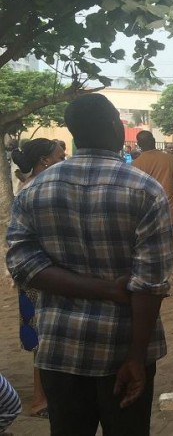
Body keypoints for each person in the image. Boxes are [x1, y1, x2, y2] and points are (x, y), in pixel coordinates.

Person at [6, 93, 172, 435]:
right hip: (124, 347)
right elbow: (150, 283)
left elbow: (21, 264)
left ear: (73, 133)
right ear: (114, 127)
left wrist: (98, 289)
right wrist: (136, 359)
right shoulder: (145, 190)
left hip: (60, 349)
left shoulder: (34, 190)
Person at [10, 138, 66, 419]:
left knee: (44, 335)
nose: (63, 158)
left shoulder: (28, 186)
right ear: (45, 159)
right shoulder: (38, 188)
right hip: (41, 273)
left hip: (36, 272)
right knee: (44, 336)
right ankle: (40, 400)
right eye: (59, 155)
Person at [132, 131, 173, 237]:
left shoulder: (135, 164)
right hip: (165, 210)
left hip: (144, 212)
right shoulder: (170, 159)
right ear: (154, 141)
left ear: (139, 145)